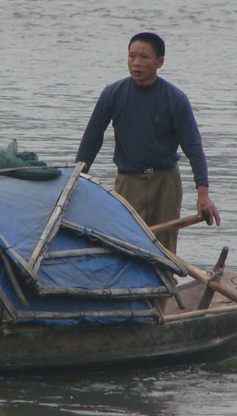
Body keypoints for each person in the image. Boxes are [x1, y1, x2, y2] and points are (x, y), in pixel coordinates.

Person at [76, 31, 220, 252]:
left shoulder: (175, 99)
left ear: (159, 62)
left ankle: (165, 284)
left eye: (144, 57)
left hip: (165, 183)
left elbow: (194, 148)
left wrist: (203, 195)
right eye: (131, 56)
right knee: (125, 247)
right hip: (128, 181)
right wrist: (78, 178)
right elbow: (92, 139)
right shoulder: (113, 94)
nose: (136, 63)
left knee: (164, 249)